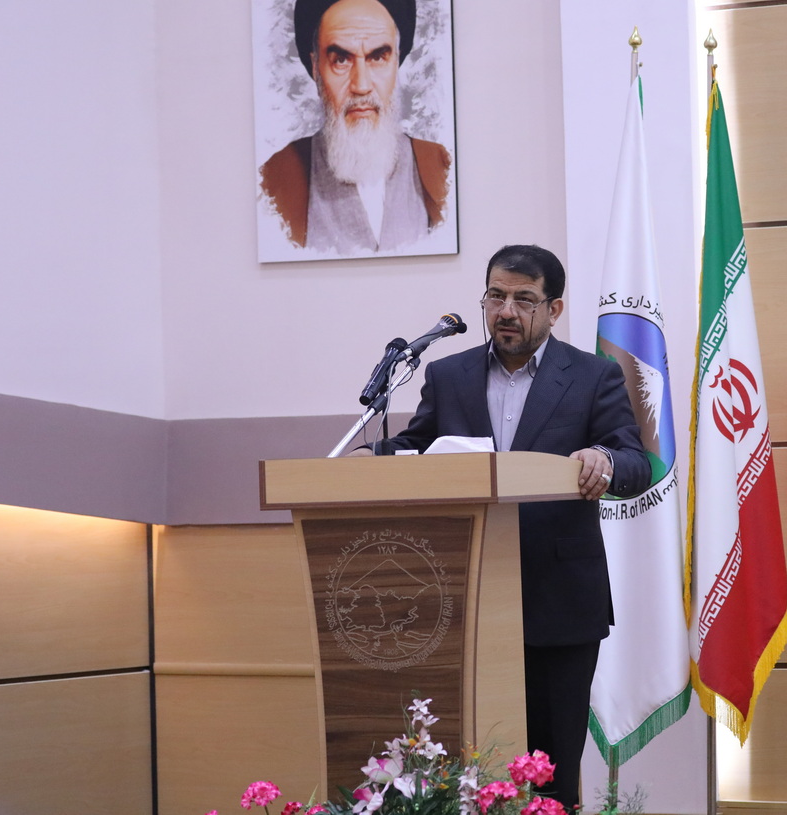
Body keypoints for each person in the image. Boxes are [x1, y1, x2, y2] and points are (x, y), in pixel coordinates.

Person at [350, 245, 651, 808]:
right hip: (464, 599)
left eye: (523, 299)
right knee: (466, 762)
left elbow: (636, 464)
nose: (506, 311)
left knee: (551, 767)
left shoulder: (593, 376)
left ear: (554, 309)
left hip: (559, 602)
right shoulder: (448, 375)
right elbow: (419, 448)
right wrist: (375, 458)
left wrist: (605, 460)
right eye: (495, 296)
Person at [260, 0, 451, 253]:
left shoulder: (441, 166)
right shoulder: (274, 179)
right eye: (341, 60)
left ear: (396, 62)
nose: (361, 85)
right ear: (316, 68)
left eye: (378, 57)